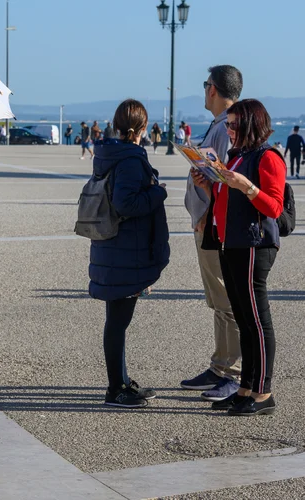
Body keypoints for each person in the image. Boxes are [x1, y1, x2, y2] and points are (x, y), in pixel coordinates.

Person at [191, 99, 285, 416]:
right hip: (231, 241)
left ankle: (262, 393)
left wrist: (247, 187)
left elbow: (274, 207)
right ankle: (246, 387)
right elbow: (225, 199)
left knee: (257, 321)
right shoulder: (237, 156)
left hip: (254, 244)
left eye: (233, 124)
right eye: (227, 123)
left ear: (250, 125)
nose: (228, 130)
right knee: (244, 320)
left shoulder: (267, 157)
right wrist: (208, 186)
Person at [88, 99, 170, 408]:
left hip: (113, 248)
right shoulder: (131, 160)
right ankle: (116, 388)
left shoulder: (110, 155)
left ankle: (121, 379)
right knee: (118, 322)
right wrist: (157, 191)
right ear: (142, 129)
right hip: (125, 251)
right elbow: (126, 204)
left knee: (116, 320)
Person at [181, 65, 244, 402]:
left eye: (206, 85)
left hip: (212, 225)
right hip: (209, 221)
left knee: (226, 298)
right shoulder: (225, 124)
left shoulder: (226, 127)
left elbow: (227, 181)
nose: (205, 90)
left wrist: (205, 214)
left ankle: (232, 372)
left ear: (213, 90)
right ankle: (221, 366)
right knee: (219, 300)